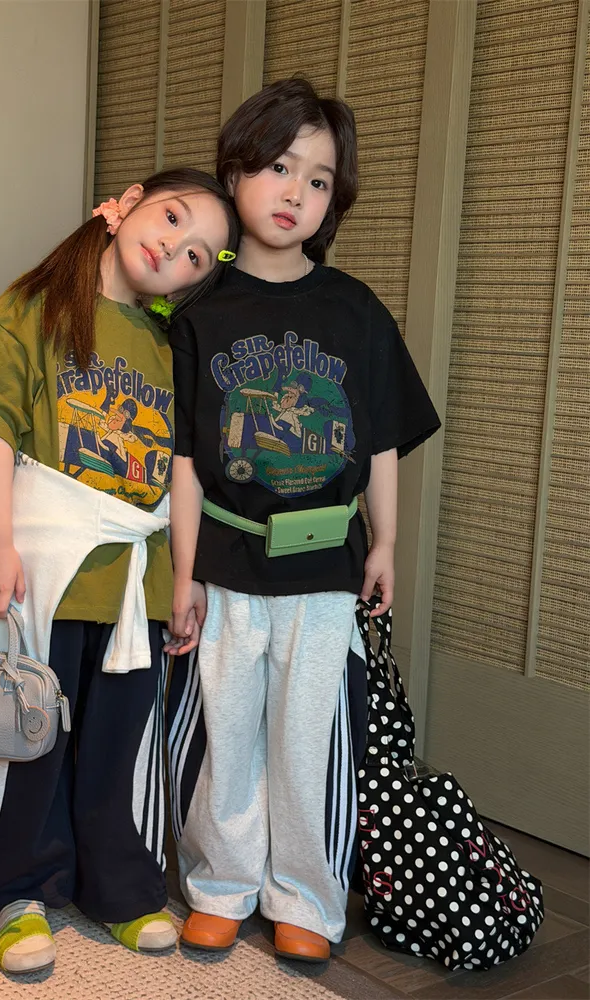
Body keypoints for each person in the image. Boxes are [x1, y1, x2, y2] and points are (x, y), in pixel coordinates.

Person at [0, 167, 240, 974]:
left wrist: (184, 577)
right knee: (24, 732)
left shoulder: (172, 346)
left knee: (120, 742)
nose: (175, 248)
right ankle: (17, 891)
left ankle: (122, 888)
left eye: (198, 255)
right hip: (44, 566)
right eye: (171, 218)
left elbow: (182, 472)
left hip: (136, 578)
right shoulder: (37, 305)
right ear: (126, 203)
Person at [165, 79, 441, 964]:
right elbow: (180, 458)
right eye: (280, 167)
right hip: (225, 562)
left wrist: (386, 542)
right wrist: (182, 574)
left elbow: (383, 440)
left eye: (319, 181)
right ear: (236, 171)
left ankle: (307, 901)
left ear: (334, 202)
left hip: (325, 571)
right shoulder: (197, 311)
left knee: (310, 738)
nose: (296, 193)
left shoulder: (355, 310)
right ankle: (220, 883)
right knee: (226, 729)